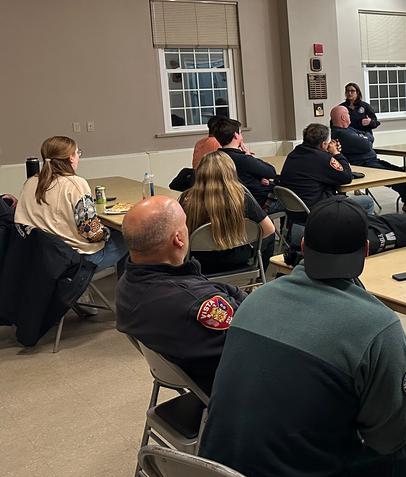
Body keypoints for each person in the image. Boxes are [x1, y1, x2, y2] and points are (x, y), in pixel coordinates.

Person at [199, 198, 406, 477]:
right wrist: (403, 400)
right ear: (367, 252)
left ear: (305, 247)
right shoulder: (377, 325)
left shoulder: (255, 300)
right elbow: (388, 441)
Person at [115, 196, 247, 394]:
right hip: (232, 391)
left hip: (194, 373)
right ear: (178, 239)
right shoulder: (196, 303)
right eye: (185, 224)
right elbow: (251, 334)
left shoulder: (127, 284)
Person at [14, 136, 128, 271]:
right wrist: (107, 232)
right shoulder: (75, 184)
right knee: (130, 237)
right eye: (77, 153)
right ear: (71, 157)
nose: (78, 157)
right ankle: (127, 289)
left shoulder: (31, 182)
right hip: (76, 261)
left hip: (42, 256)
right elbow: (91, 233)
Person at [179, 152, 276, 274]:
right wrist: (250, 243)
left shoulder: (187, 199)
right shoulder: (242, 198)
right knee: (269, 238)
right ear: (231, 173)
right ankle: (259, 276)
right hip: (237, 259)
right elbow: (269, 230)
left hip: (200, 264)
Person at [330, 106, 406, 213]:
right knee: (397, 175)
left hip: (371, 161)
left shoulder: (349, 129)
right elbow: (367, 144)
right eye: (348, 114)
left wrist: (365, 136)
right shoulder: (341, 133)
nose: (349, 116)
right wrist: (365, 136)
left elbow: (369, 137)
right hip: (363, 165)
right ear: (343, 117)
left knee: (400, 172)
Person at [214, 118, 278, 208]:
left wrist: (259, 178)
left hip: (230, 203)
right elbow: (271, 172)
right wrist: (249, 156)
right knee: (286, 200)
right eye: (240, 133)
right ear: (236, 135)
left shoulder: (217, 157)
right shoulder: (243, 159)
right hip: (254, 204)